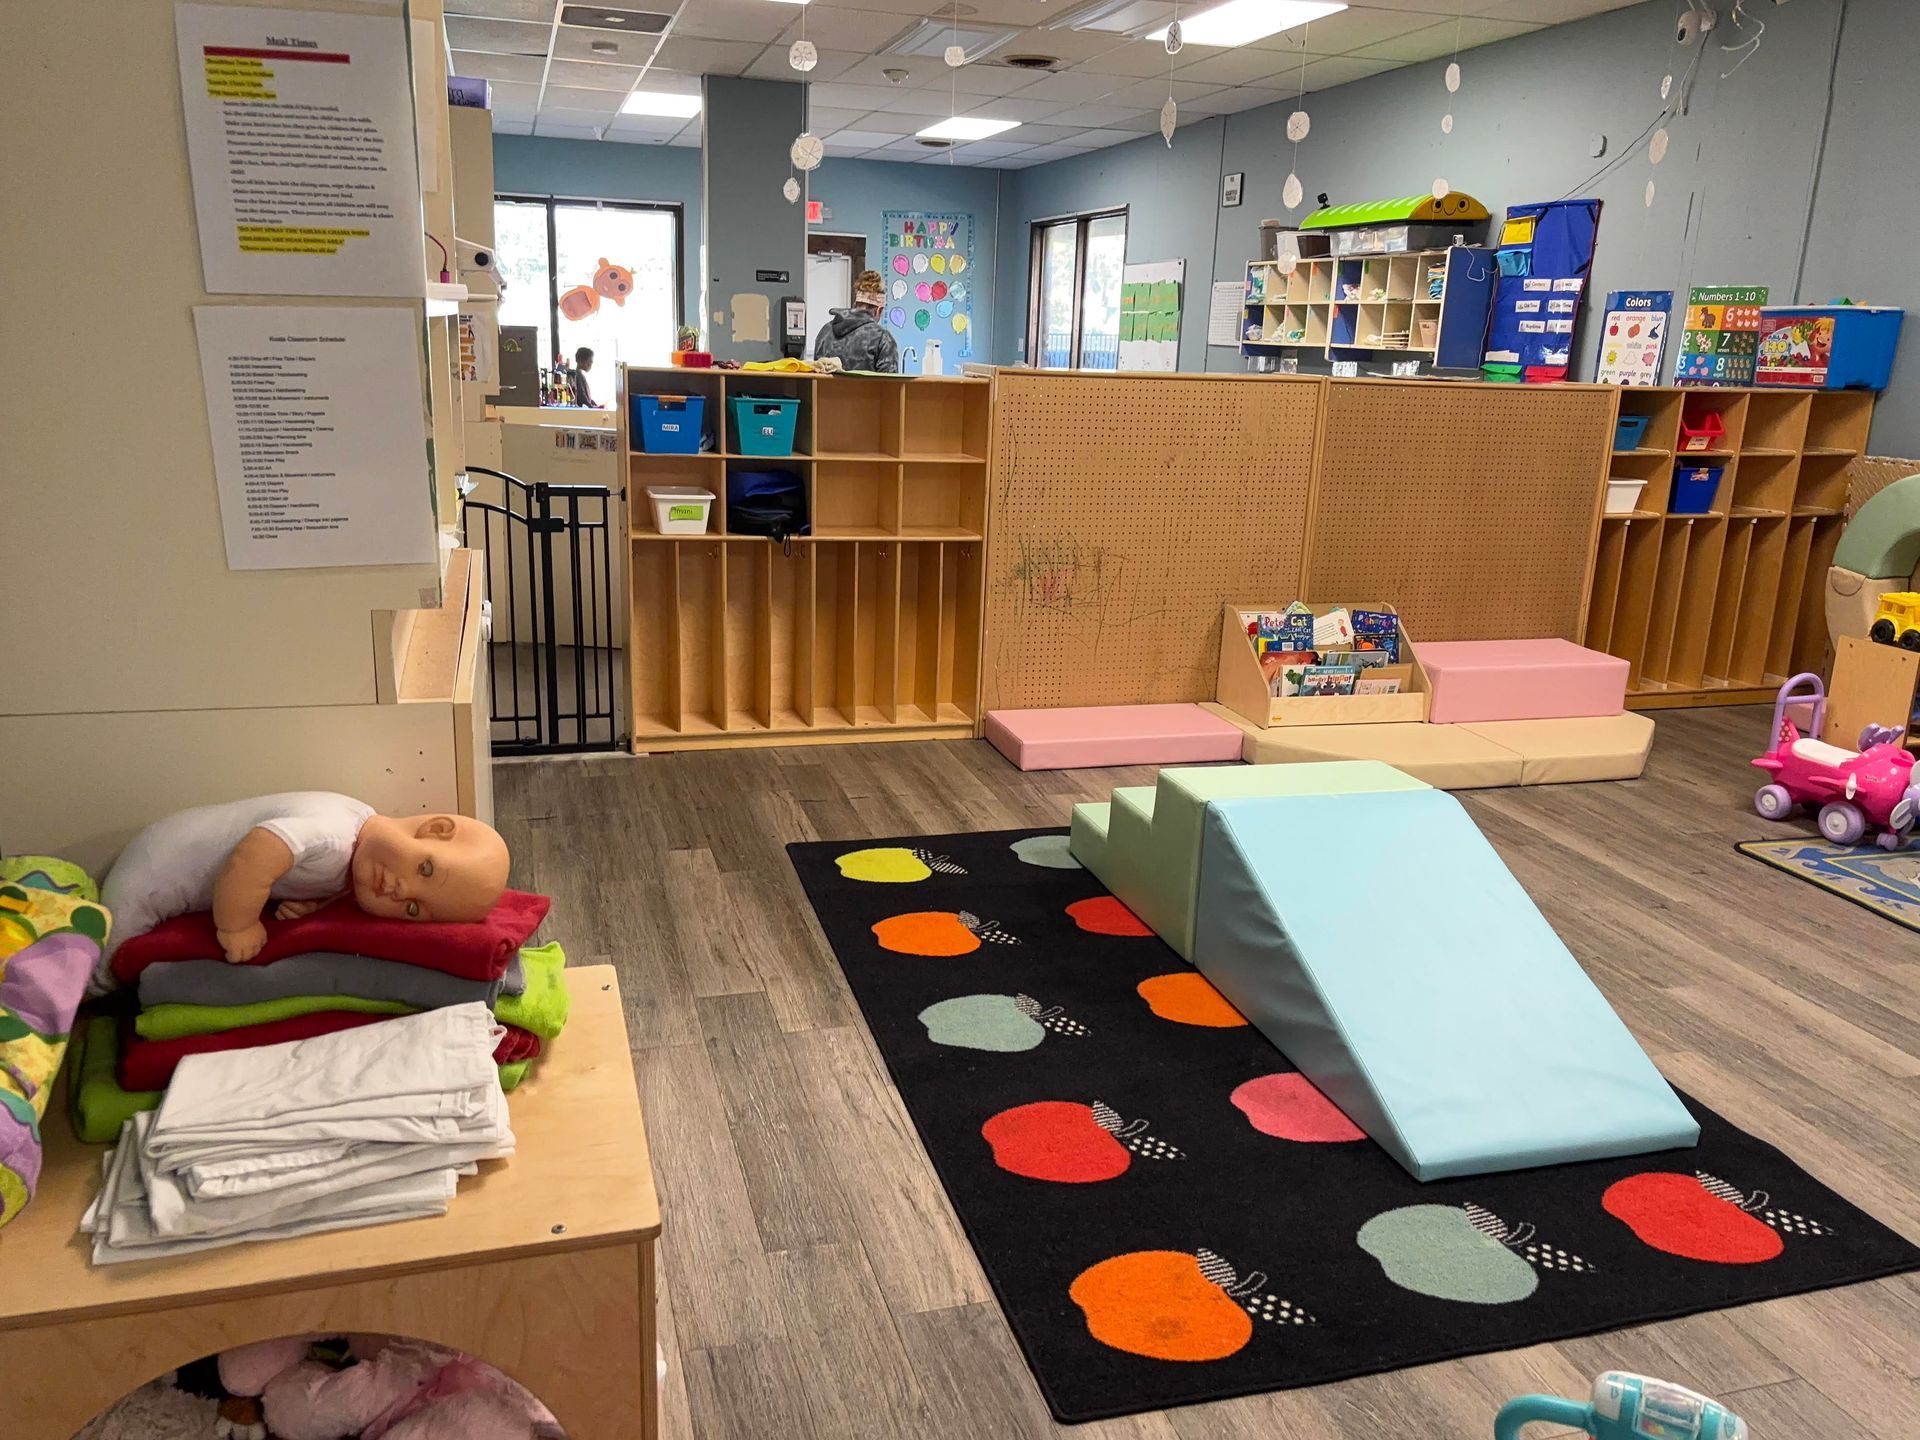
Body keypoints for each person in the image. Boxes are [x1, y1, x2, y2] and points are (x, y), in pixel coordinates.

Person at [812, 270, 900, 373]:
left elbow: (816, 377)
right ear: (878, 310)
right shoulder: (882, 339)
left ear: (855, 304)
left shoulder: (825, 331)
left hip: (826, 390)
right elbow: (890, 385)